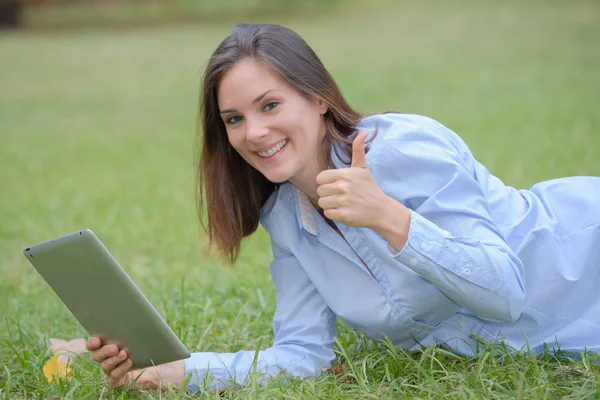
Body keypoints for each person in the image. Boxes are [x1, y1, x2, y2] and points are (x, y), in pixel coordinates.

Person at [86, 23, 600, 392]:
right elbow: (301, 356)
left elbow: (505, 292)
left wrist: (387, 216)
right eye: (234, 118)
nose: (254, 132)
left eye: (270, 105)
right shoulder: (286, 219)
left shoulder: (401, 149)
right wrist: (177, 371)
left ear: (317, 99)